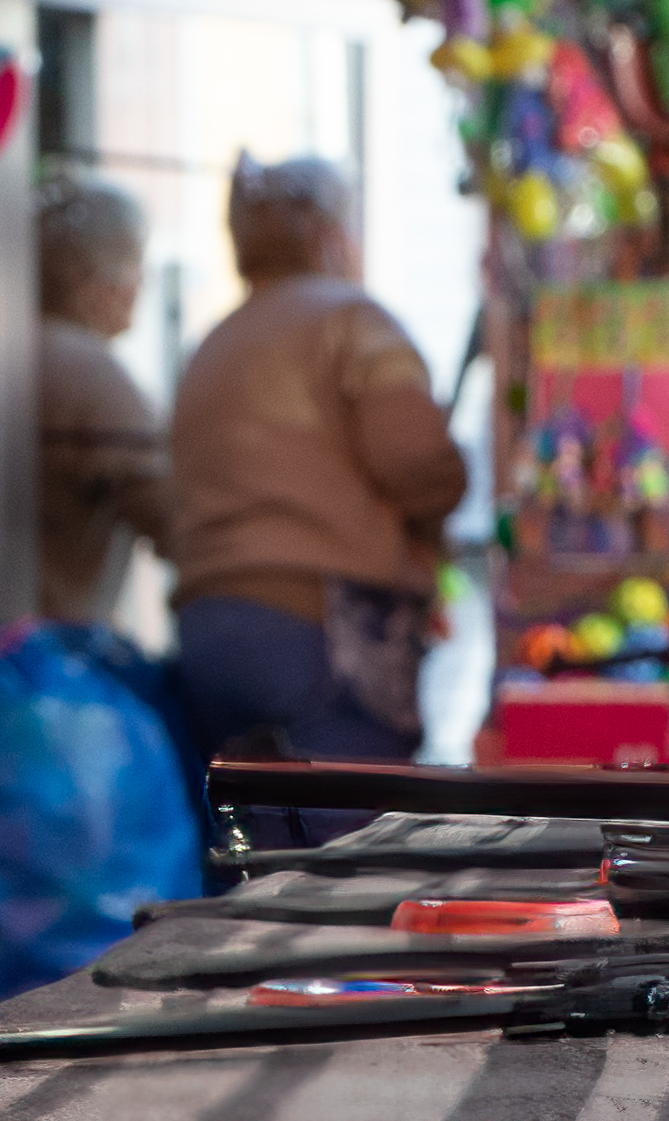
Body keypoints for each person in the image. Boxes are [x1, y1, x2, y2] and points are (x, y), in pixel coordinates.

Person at [164, 154, 469, 774]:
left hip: (207, 625)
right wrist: (451, 480)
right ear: (331, 235)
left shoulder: (211, 344)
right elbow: (414, 460)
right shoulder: (352, 321)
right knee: (345, 845)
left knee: (249, 842)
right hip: (319, 623)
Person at [33, 175, 170, 628]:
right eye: (136, 263)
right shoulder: (90, 374)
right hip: (40, 661)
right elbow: (178, 517)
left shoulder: (14, 351)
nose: (142, 284)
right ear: (89, 279)